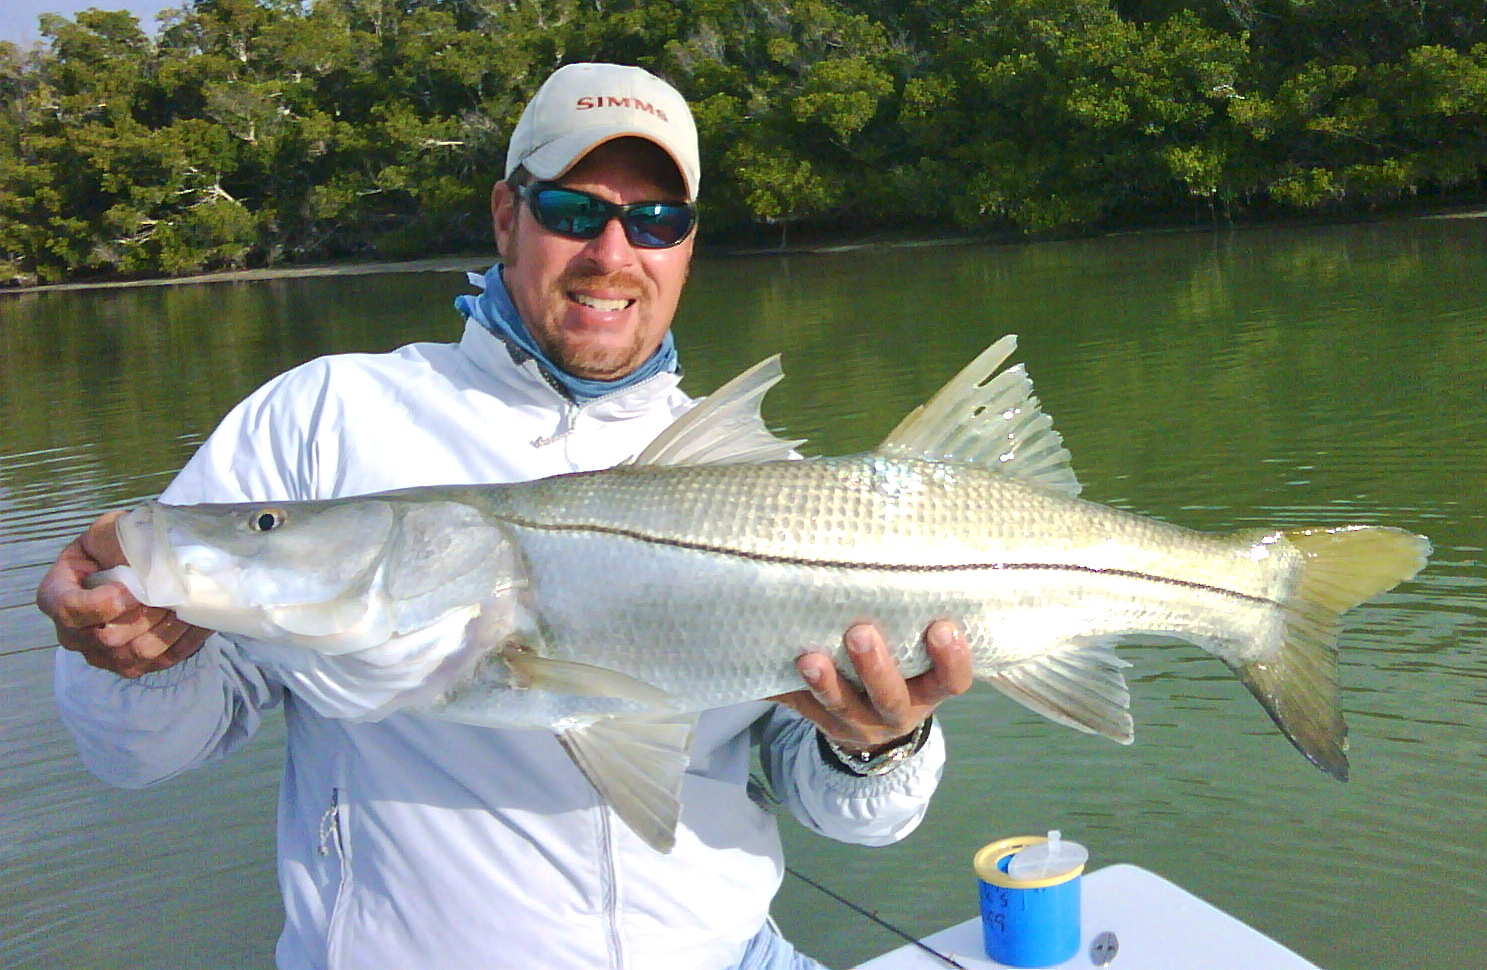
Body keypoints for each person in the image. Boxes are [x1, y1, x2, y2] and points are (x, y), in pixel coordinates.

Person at [36, 62, 973, 970]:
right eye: (573, 212)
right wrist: (125, 660)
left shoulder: (766, 487)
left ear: (688, 243)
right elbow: (140, 756)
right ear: (505, 215)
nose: (613, 254)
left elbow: (856, 818)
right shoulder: (325, 420)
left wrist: (883, 744)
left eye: (655, 220)